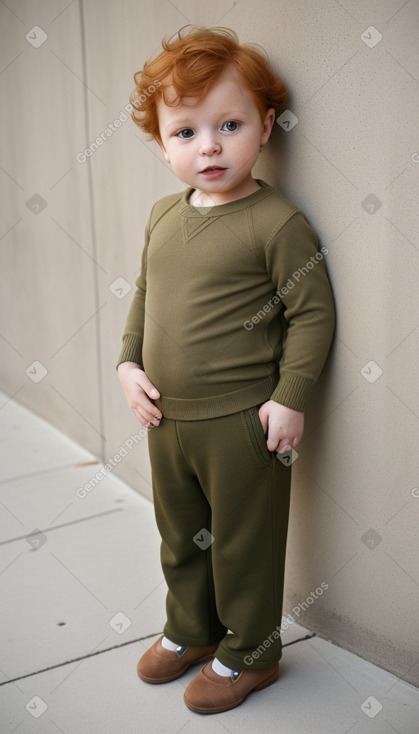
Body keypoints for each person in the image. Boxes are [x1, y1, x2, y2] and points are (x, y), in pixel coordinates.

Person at [117, 24, 335, 715]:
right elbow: (146, 295)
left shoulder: (275, 224)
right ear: (160, 142)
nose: (208, 146)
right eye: (185, 132)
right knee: (180, 535)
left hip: (243, 423)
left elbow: (312, 314)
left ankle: (249, 653)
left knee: (243, 544)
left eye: (229, 125)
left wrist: (289, 396)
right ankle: (191, 630)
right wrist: (128, 365)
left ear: (265, 127)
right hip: (166, 419)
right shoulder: (162, 217)